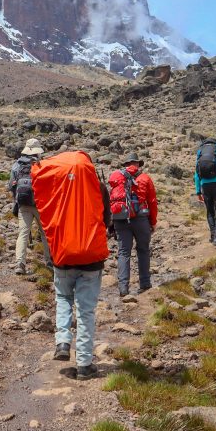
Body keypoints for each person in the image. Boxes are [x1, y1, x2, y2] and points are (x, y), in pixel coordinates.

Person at [34, 151, 111, 381]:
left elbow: (45, 215)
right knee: (86, 311)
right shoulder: (99, 187)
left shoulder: (56, 188)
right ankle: (84, 365)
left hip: (63, 255)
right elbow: (107, 220)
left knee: (63, 298)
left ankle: (63, 343)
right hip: (91, 258)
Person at [108, 154, 159, 301]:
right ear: (137, 164)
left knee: (124, 252)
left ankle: (123, 288)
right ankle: (145, 283)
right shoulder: (145, 178)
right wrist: (153, 222)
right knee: (143, 250)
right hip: (141, 219)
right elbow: (152, 201)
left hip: (121, 219)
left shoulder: (117, 177)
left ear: (126, 164)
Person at [9, 138, 51, 274]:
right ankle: (49, 261)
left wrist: (17, 200)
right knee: (45, 233)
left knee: (23, 233)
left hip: (23, 204)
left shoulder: (17, 165)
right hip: (40, 205)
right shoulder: (41, 164)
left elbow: (11, 186)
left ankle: (20, 264)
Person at [195, 138, 216, 248]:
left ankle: (213, 235)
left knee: (210, 211)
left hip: (205, 186)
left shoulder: (200, 152)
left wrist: (198, 191)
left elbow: (196, 173)